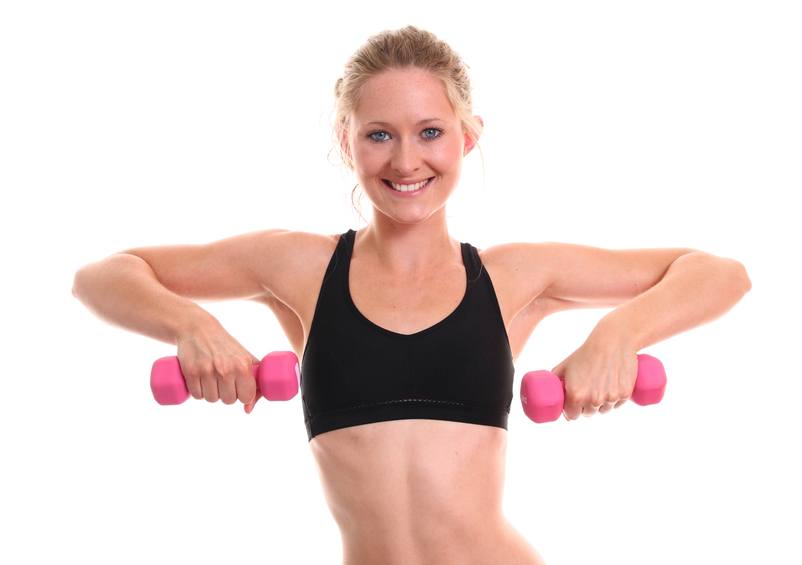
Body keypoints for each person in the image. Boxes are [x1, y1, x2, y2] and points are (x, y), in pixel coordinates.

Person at [72, 25, 751, 565]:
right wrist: (187, 323)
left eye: (430, 131)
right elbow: (102, 276)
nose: (405, 161)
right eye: (379, 135)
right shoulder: (301, 267)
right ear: (347, 142)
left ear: (467, 136)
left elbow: (719, 273)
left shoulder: (512, 278)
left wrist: (619, 336)